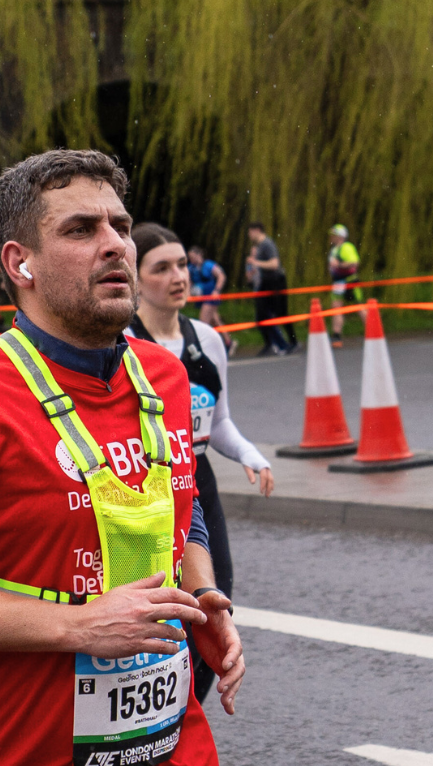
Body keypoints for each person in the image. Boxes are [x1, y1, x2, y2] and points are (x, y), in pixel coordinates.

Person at [0, 149, 242, 766]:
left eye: (120, 226)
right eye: (80, 230)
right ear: (20, 263)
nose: (113, 245)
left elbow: (181, 501)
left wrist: (202, 593)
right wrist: (80, 626)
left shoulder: (166, 377)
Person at [125, 222, 273, 703]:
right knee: (159, 607)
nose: (178, 277)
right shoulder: (121, 341)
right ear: (135, 277)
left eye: (183, 265)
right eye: (161, 267)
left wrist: (251, 455)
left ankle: (191, 709)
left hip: (199, 483)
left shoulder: (207, 339)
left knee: (214, 604)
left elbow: (217, 421)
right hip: (144, 487)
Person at [246, 221, 291, 356]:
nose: (249, 235)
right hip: (265, 283)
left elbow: (274, 264)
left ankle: (288, 343)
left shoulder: (267, 244)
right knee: (262, 316)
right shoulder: (259, 246)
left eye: (250, 232)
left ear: (257, 230)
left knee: (278, 313)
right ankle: (271, 343)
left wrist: (256, 263)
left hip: (275, 282)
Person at [186, 246, 234, 355]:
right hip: (201, 298)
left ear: (199, 255)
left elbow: (221, 276)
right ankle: (228, 342)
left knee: (204, 322)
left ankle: (205, 347)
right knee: (215, 321)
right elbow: (189, 282)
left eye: (193, 257)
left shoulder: (208, 265)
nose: (192, 259)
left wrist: (217, 290)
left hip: (211, 298)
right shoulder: (191, 268)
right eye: (190, 258)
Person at [326, 224, 367, 348]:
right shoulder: (334, 249)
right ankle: (336, 336)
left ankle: (372, 330)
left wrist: (339, 265)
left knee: (359, 307)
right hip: (338, 282)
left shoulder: (346, 247)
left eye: (334, 234)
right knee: (336, 308)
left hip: (350, 281)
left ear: (340, 236)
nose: (331, 237)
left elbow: (354, 262)